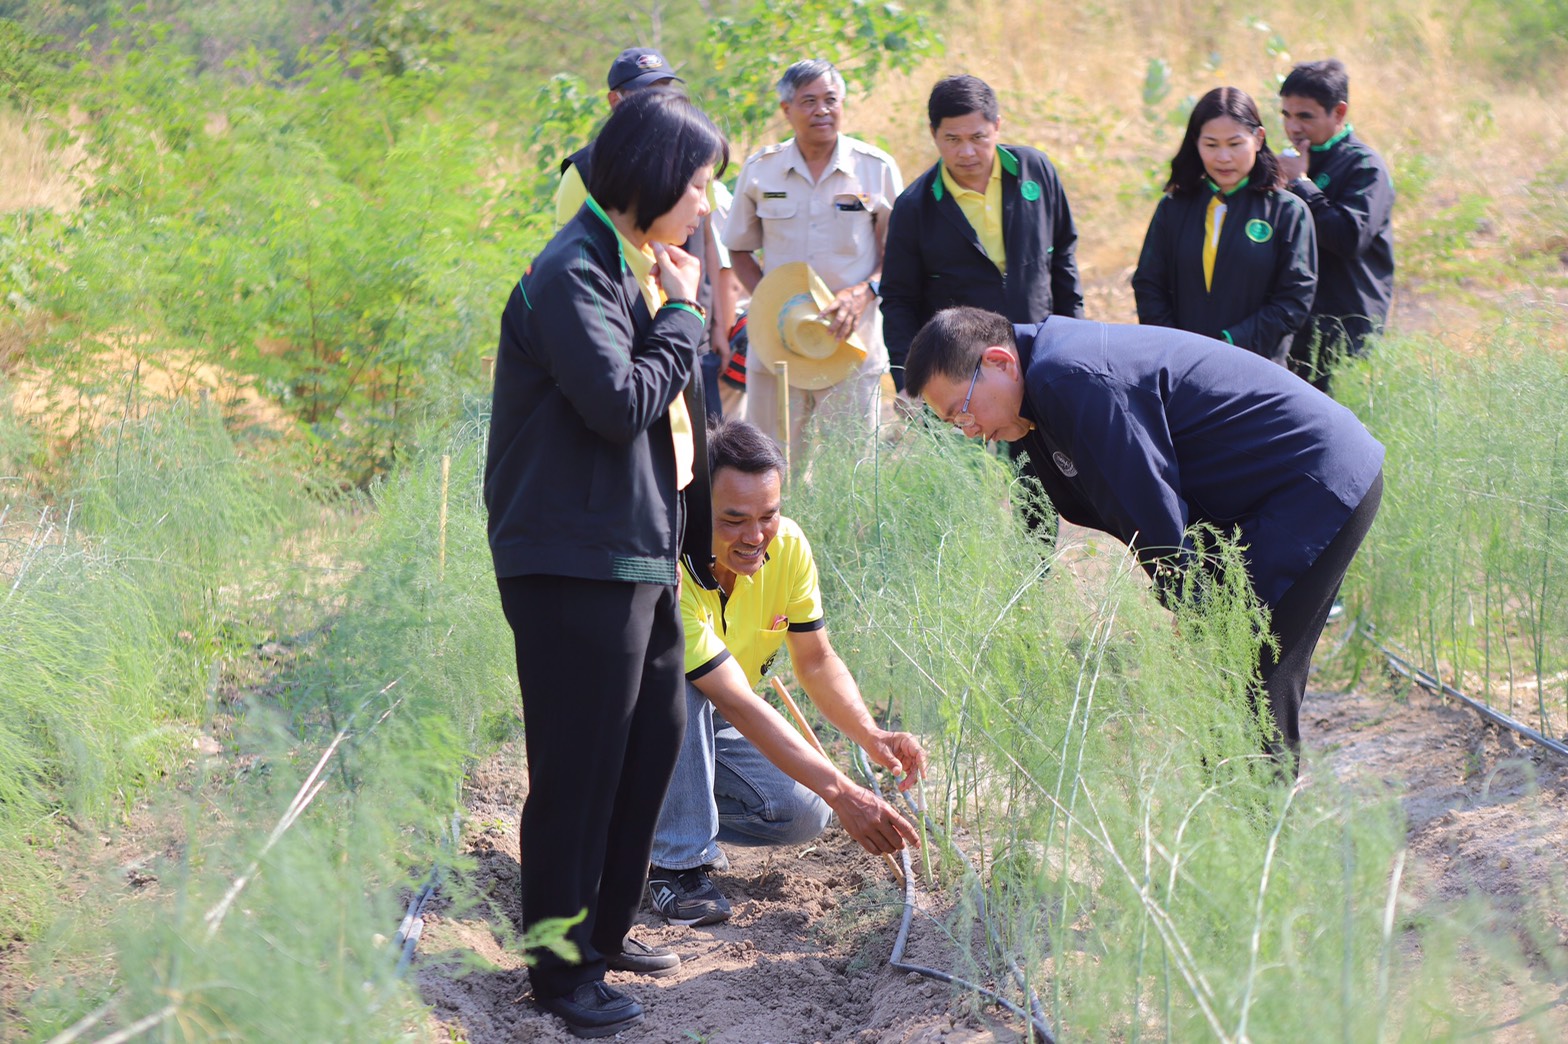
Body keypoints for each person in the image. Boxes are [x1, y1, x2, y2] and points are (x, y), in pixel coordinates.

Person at [484, 89, 727, 1039]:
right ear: (656, 179)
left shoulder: (639, 266)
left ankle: (602, 934)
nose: (707, 205)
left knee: (649, 744)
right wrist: (684, 319)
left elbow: (677, 419)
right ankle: (555, 972)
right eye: (701, 184)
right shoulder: (572, 271)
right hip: (570, 558)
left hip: (637, 551)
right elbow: (618, 401)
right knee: (578, 767)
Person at [903, 306, 1384, 772]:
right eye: (953, 425)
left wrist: (1194, 612)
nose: (969, 433)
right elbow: (1037, 507)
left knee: (1254, 682)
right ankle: (1229, 818)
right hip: (1248, 503)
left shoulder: (1069, 376)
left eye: (962, 412)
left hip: (1310, 481)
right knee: (1225, 675)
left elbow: (1147, 510)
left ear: (998, 361)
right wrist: (1011, 608)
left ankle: (1259, 836)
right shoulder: (1030, 400)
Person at [647, 417, 926, 925]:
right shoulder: (670, 575)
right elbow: (736, 700)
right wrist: (844, 790)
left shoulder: (788, 546)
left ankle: (641, 825)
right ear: (695, 506)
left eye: (768, 515)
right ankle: (678, 866)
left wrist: (869, 733)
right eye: (733, 520)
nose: (755, 536)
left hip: (715, 720)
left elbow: (815, 658)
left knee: (802, 812)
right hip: (638, 729)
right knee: (679, 688)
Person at [724, 58, 903, 459]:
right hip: (777, 347)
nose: (821, 110)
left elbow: (897, 253)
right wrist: (770, 302)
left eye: (830, 99)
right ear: (787, 110)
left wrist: (864, 291)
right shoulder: (761, 171)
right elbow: (737, 247)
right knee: (771, 463)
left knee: (854, 471)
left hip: (851, 343)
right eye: (808, 101)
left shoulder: (875, 169)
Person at [556, 46, 741, 418]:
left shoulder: (692, 159)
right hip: (625, 329)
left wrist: (719, 322)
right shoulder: (584, 170)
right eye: (646, 93)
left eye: (666, 92)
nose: (659, 102)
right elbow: (570, 252)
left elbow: (718, 253)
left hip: (689, 327)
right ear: (615, 101)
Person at [881, 74, 1083, 396]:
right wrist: (909, 382)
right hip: (961, 371)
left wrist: (1076, 340)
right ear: (933, 134)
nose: (967, 153)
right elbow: (898, 300)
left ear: (997, 126)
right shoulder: (915, 206)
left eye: (978, 137)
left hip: (1039, 352)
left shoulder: (1036, 170)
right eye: (952, 139)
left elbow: (1062, 257)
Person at [1132, 86, 1317, 365]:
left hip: (1257, 368)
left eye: (1235, 144)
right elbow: (1149, 284)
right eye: (1211, 145)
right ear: (1196, 143)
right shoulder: (1173, 207)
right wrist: (1174, 346)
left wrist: (1231, 342)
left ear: (1258, 138)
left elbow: (1294, 299)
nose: (1223, 158)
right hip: (1180, 366)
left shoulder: (1287, 212)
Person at [1278, 59, 1396, 394]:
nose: (1293, 127)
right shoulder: (1287, 162)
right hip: (1296, 326)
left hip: (1347, 328)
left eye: (1305, 116)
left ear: (1339, 113)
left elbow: (1348, 239)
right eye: (1286, 115)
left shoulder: (1364, 166)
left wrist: (1301, 183)